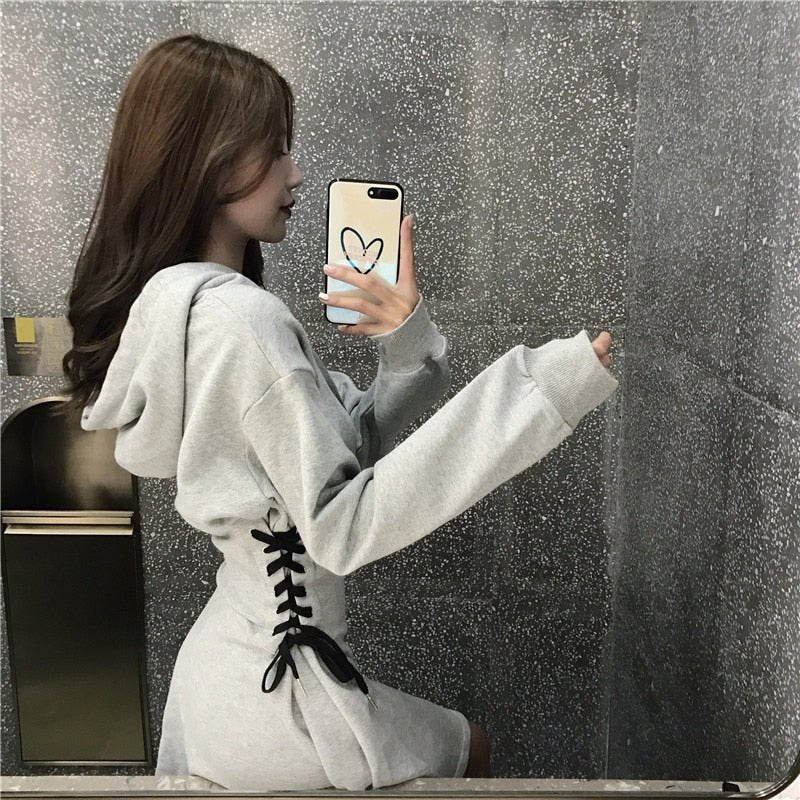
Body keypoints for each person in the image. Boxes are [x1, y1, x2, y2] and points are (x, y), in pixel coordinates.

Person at [59, 33, 618, 792]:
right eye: (274, 148)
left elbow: (334, 460)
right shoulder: (241, 324)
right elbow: (341, 525)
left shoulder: (184, 310)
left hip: (232, 665)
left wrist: (406, 345)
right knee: (473, 750)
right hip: (283, 688)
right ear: (212, 161)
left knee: (468, 749)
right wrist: (539, 391)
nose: (294, 172)